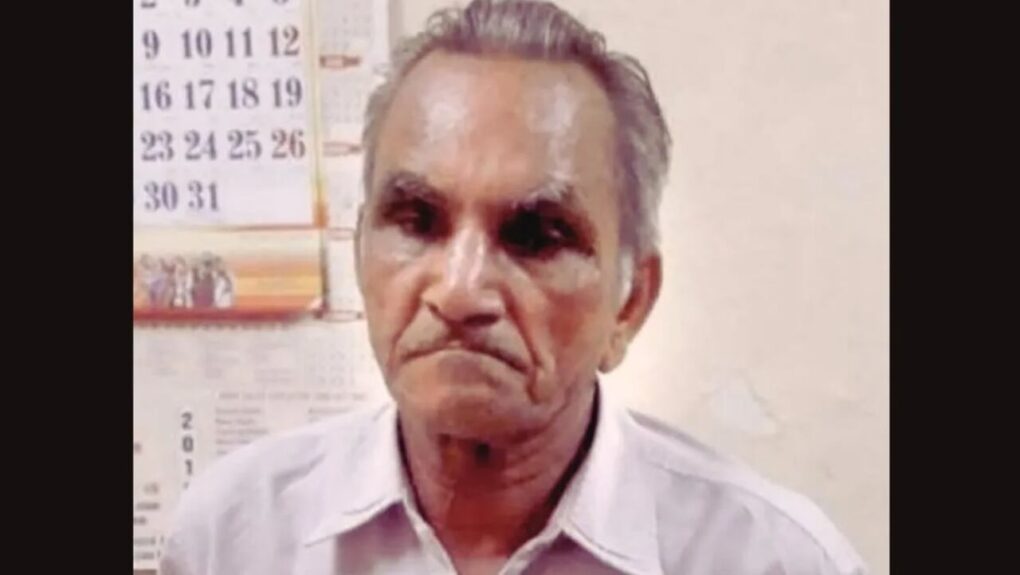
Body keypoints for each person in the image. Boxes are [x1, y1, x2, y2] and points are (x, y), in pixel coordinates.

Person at [160, 1, 866, 573]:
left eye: (534, 235)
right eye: (417, 220)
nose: (460, 290)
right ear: (360, 252)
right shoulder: (236, 536)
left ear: (629, 303)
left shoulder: (772, 559)